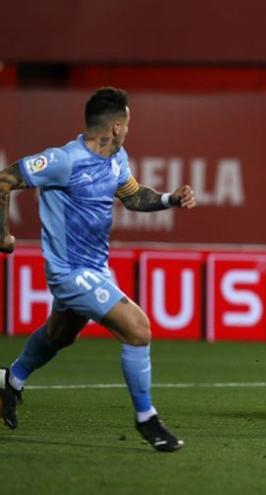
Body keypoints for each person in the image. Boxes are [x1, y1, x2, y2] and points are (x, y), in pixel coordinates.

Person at [0, 87, 195, 451]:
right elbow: (5, 179)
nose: (130, 129)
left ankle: (11, 379)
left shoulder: (117, 159)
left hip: (96, 268)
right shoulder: (63, 160)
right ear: (117, 126)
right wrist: (3, 234)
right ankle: (146, 419)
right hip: (70, 272)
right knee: (138, 330)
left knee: (60, 336)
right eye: (130, 122)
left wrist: (171, 199)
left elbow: (134, 197)